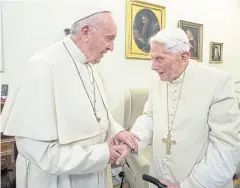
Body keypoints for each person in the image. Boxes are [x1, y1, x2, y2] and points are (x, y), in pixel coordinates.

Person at [1, 6, 139, 188]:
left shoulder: (89, 65)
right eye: (109, 38)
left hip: (94, 174)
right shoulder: (42, 67)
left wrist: (117, 131)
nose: (112, 47)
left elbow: (100, 112)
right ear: (85, 32)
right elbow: (41, 154)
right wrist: (103, 154)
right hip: (59, 180)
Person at [124, 27, 240, 188]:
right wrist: (132, 141)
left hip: (201, 182)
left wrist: (188, 185)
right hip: (158, 177)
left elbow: (225, 146)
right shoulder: (158, 79)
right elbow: (149, 116)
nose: (153, 66)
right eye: (152, 58)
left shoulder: (218, 82)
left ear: (183, 57)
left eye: (160, 59)